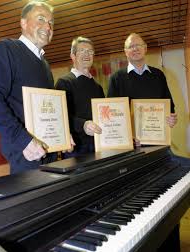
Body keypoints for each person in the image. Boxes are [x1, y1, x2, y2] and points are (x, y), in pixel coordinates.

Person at [108, 32, 188, 252]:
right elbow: (113, 115)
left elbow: (170, 108)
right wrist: (127, 135)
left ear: (145, 49)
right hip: (133, 151)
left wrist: (172, 117)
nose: (135, 49)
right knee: (141, 204)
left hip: (161, 148)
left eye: (138, 45)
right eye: (130, 46)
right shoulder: (116, 79)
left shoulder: (158, 75)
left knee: (166, 199)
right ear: (125, 52)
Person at [0, 1, 58, 174]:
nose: (48, 26)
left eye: (51, 23)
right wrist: (23, 140)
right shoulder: (7, 49)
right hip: (26, 153)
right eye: (41, 19)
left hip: (49, 150)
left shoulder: (45, 65)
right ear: (23, 23)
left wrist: (62, 134)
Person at [56, 36, 105, 157]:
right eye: (82, 51)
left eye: (90, 51)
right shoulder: (64, 82)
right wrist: (83, 125)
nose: (87, 54)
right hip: (76, 148)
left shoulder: (98, 87)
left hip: (99, 144)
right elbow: (60, 117)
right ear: (73, 56)